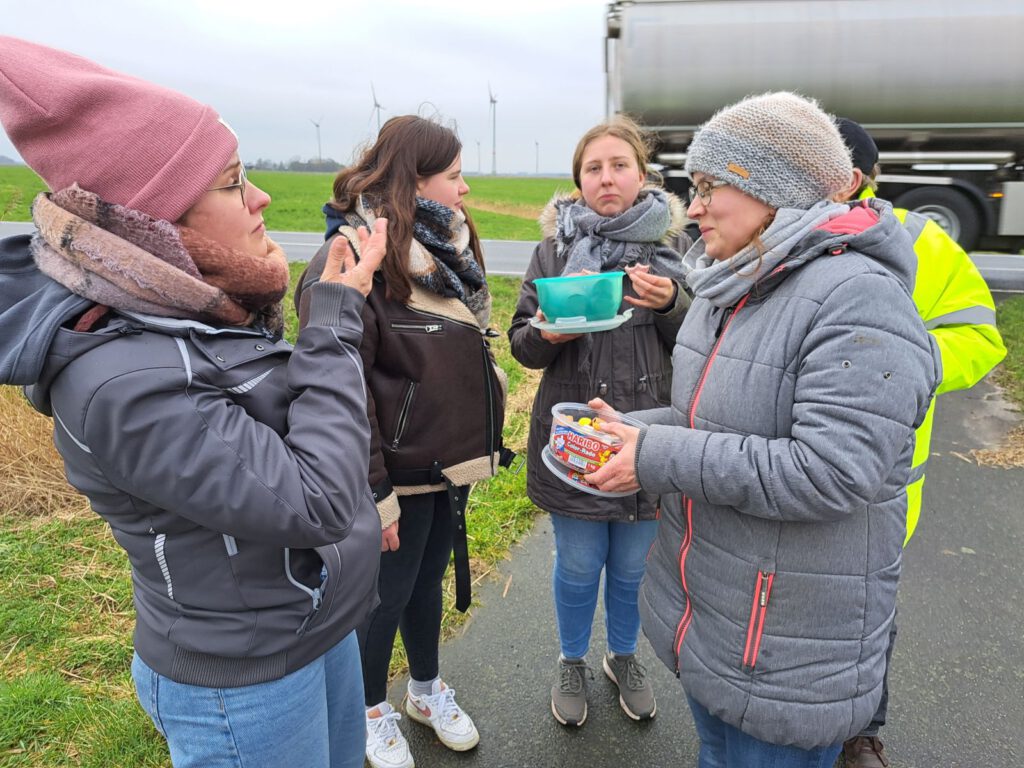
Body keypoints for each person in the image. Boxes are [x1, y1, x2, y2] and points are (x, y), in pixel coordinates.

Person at [0, 37, 384, 768]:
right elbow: (318, 500)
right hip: (248, 687)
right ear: (156, 218)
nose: (262, 197)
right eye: (233, 182)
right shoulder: (123, 378)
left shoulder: (197, 311)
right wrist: (332, 323)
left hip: (314, 632)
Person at [586, 92, 940, 766]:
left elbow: (831, 473)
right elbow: (706, 424)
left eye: (708, 186)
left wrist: (656, 454)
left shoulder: (857, 297)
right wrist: (630, 433)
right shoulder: (732, 287)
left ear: (773, 188)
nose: (691, 208)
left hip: (784, 654)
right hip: (719, 624)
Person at [294, 116, 509, 768]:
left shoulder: (448, 253)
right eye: (455, 175)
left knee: (425, 585)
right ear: (416, 183)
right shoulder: (357, 261)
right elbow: (337, 386)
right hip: (394, 477)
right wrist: (376, 494)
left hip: (448, 464)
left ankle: (424, 690)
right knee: (380, 598)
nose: (466, 189)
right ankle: (367, 711)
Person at [833, 118, 1007, 768]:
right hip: (786, 479)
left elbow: (978, 337)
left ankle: (861, 735)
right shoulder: (767, 236)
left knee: (868, 619)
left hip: (883, 485)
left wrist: (901, 356)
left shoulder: (919, 242)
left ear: (850, 177)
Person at [507, 115, 691, 727]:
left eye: (619, 166)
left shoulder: (674, 250)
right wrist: (546, 331)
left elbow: (704, 345)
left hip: (646, 436)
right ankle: (571, 659)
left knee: (636, 566)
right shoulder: (554, 251)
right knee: (580, 562)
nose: (606, 177)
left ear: (642, 175)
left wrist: (671, 305)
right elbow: (522, 344)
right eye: (593, 168)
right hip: (576, 435)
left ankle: (623, 656)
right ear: (578, 181)